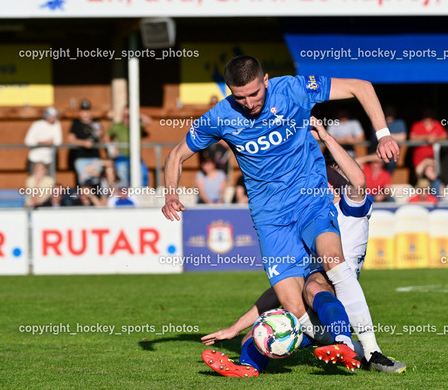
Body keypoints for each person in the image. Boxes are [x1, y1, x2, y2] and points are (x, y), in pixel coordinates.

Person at [162, 55, 402, 372]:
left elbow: (361, 86)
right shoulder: (221, 116)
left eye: (254, 93)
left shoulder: (293, 89)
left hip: (310, 200)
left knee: (333, 260)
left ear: (266, 80)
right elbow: (176, 155)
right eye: (240, 97)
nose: (249, 103)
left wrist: (383, 133)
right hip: (270, 219)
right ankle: (341, 349)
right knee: (292, 305)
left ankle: (369, 350)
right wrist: (171, 193)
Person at [201, 118, 406, 375]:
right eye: (324, 179)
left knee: (313, 285)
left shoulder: (350, 208)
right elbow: (279, 290)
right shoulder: (308, 221)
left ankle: (344, 343)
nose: (327, 184)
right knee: (259, 333)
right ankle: (247, 368)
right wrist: (235, 327)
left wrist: (326, 138)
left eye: (333, 179)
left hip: (338, 292)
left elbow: (359, 182)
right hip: (314, 311)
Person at [107, 106, 151, 186]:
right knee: (122, 172)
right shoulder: (118, 126)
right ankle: (126, 192)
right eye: (125, 115)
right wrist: (112, 149)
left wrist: (136, 114)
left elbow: (148, 121)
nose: (126, 117)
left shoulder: (137, 125)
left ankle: (139, 192)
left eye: (128, 115)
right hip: (121, 156)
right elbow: (106, 136)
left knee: (142, 174)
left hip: (136, 156)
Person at [68, 100, 104, 185]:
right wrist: (84, 143)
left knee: (96, 181)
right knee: (85, 182)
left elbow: (103, 137)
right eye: (83, 111)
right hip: (81, 157)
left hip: (95, 157)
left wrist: (100, 134)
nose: (85, 114)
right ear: (80, 112)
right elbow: (71, 139)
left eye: (87, 111)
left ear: (90, 112)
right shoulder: (76, 123)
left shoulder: (96, 122)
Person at [24, 106, 62, 175]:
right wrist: (44, 142)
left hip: (49, 159)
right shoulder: (37, 124)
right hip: (35, 158)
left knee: (49, 180)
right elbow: (28, 141)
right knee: (33, 180)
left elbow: (58, 142)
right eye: (53, 116)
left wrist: (39, 141)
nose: (55, 118)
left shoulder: (57, 124)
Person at [369, 106, 406, 174]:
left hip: (394, 155)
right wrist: (390, 136)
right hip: (379, 153)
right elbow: (376, 136)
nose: (389, 113)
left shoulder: (399, 122)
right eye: (388, 111)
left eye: (391, 111)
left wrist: (385, 135)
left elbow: (403, 137)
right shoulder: (376, 122)